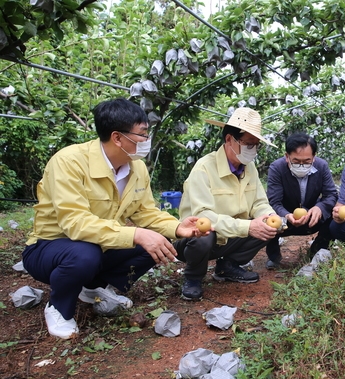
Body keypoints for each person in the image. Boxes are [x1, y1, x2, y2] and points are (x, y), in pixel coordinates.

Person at [22, 98, 203, 340]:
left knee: (154, 243)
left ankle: (91, 288)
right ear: (118, 137)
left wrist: (178, 227)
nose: (146, 141)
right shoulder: (69, 162)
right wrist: (136, 233)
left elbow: (145, 212)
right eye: (142, 134)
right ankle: (59, 306)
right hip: (49, 248)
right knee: (85, 254)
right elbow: (75, 223)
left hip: (98, 246)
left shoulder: (136, 168)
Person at [174, 108, 279, 300]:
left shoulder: (250, 168)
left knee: (267, 226)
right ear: (229, 139)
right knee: (203, 233)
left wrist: (269, 216)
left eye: (256, 145)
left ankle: (227, 266)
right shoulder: (204, 168)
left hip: (231, 236)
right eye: (248, 144)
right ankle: (193, 277)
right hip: (194, 239)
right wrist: (248, 226)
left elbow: (259, 202)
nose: (253, 150)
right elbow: (203, 217)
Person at [266, 132, 338, 268]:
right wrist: (286, 215)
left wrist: (319, 208)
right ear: (287, 156)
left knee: (335, 213)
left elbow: (331, 195)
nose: (301, 165)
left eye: (306, 161)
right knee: (266, 216)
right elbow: (274, 201)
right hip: (285, 220)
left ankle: (318, 248)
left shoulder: (322, 166)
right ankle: (274, 255)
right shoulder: (277, 168)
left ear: (314, 157)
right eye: (296, 161)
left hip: (312, 218)